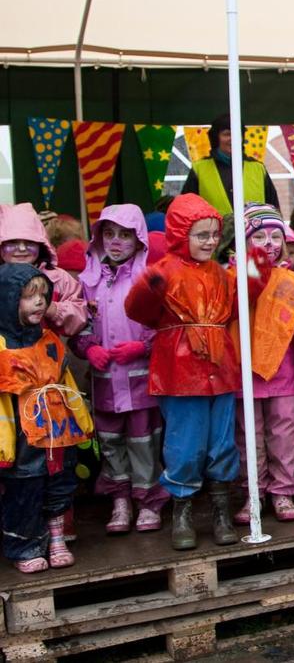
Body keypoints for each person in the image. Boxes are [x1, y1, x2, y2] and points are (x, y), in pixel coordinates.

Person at [125, 194, 244, 550]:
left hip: (220, 369)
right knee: (185, 446)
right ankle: (183, 512)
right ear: (180, 234)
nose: (210, 241)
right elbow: (137, 310)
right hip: (179, 372)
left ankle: (222, 512)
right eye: (201, 234)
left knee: (222, 444)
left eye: (213, 234)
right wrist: (150, 287)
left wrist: (257, 267)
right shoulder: (164, 271)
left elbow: (240, 302)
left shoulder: (223, 273)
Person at [69, 204, 168, 534]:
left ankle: (148, 501)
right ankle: (120, 500)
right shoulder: (89, 281)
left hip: (140, 383)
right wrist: (88, 347)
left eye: (124, 235)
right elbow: (78, 326)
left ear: (138, 240)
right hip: (105, 383)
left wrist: (143, 347)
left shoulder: (148, 278)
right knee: (111, 442)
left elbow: (164, 325)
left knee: (144, 443)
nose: (115, 242)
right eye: (109, 234)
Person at [0, 264, 94, 573]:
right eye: (28, 297)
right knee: (24, 491)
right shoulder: (2, 346)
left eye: (43, 295)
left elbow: (66, 383)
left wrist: (83, 421)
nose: (39, 302)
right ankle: (25, 545)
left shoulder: (49, 340)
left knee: (59, 484)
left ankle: (56, 538)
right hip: (22, 435)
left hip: (57, 430)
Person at [230, 205, 294, 524]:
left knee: (286, 431)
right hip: (243, 371)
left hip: (284, 371)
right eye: (259, 235)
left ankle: (283, 491)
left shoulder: (293, 281)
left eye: (276, 235)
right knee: (247, 435)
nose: (269, 242)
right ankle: (254, 493)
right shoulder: (234, 276)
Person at [0, 203, 88, 337]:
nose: (22, 248)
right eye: (13, 242)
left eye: (29, 242)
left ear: (41, 244)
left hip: (47, 355)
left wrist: (53, 309)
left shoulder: (58, 278)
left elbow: (79, 317)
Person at [180, 114, 279, 216]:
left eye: (237, 134)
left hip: (254, 232)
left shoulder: (258, 168)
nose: (233, 138)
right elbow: (186, 211)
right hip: (213, 232)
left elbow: (274, 210)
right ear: (216, 138)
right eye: (227, 134)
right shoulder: (199, 169)